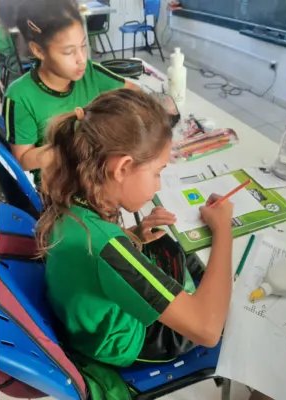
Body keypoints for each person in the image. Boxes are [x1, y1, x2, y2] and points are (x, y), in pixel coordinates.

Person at [36, 88, 233, 387]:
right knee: (225, 296)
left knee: (175, 250)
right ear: (123, 167)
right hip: (126, 342)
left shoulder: (71, 196)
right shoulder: (109, 247)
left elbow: (96, 259)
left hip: (87, 318)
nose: (157, 187)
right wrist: (224, 231)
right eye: (157, 173)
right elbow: (206, 329)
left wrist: (135, 236)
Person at [2, 0, 139, 188]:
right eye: (68, 52)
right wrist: (77, 143)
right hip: (60, 188)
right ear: (38, 50)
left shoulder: (91, 73)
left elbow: (135, 94)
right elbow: (24, 159)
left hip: (100, 172)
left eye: (83, 46)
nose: (82, 60)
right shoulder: (20, 96)